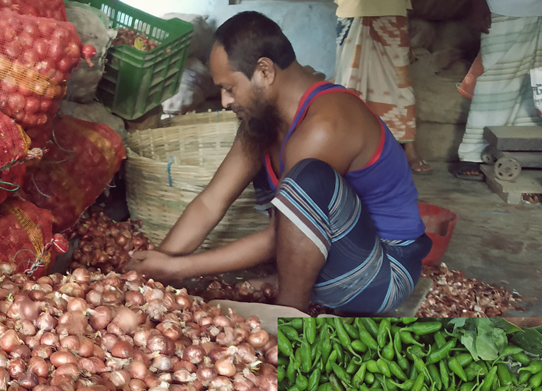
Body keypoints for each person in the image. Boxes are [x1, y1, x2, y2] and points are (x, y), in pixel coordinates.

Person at [125, 11, 432, 315]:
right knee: (289, 179)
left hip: (382, 274)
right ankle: (293, 287)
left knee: (308, 179)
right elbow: (211, 202)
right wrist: (153, 266)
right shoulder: (262, 121)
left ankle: (289, 318)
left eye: (229, 88)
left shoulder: (327, 124)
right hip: (333, 260)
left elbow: (281, 234)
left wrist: (179, 269)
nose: (224, 101)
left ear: (264, 72)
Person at [334, 0, 432, 174]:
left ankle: (408, 146)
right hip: (353, 7)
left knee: (399, 78)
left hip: (392, 6)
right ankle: (348, 145)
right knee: (350, 79)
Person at [452, 0, 542, 181]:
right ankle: (473, 153)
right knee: (493, 82)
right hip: (501, 8)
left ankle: (520, 153)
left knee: (532, 85)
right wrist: (477, 4)